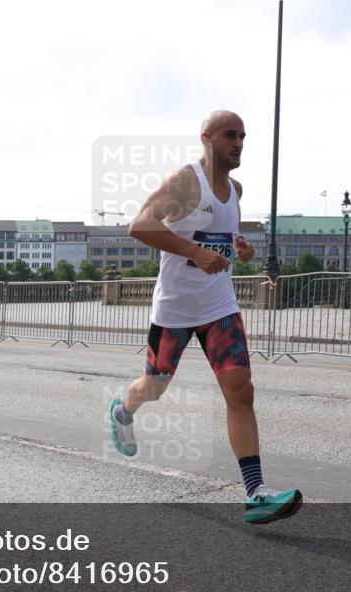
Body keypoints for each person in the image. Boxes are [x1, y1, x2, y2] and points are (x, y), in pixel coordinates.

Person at [108, 110, 301, 525]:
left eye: (243, 136)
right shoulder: (185, 181)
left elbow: (220, 233)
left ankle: (255, 492)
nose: (239, 143)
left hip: (219, 308)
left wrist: (240, 247)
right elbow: (140, 226)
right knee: (154, 388)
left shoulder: (235, 189)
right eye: (231, 135)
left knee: (240, 391)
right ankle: (123, 411)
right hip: (175, 308)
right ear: (207, 139)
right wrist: (195, 252)